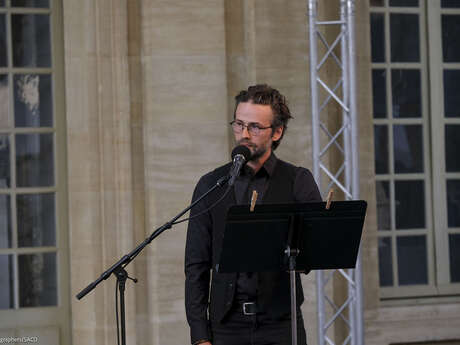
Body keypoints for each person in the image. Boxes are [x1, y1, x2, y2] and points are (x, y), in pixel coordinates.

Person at [185, 84, 321, 345]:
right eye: (238, 124)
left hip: (280, 326)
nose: (244, 134)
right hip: (226, 327)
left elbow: (311, 255)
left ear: (277, 132)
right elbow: (196, 266)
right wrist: (200, 335)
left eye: (255, 127)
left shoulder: (297, 181)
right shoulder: (211, 184)